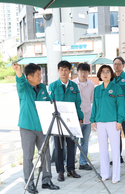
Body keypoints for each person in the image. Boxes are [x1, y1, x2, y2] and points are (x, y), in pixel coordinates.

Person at [12, 63, 60, 193]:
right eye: (38, 75)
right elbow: (20, 80)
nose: (41, 77)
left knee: (46, 154)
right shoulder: (23, 87)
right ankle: (29, 183)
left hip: (42, 127)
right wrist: (18, 71)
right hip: (27, 127)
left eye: (41, 74)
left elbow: (49, 101)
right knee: (28, 156)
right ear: (29, 77)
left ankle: (47, 180)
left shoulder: (43, 87)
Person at [90, 65, 125, 184]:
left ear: (111, 74)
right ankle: (105, 174)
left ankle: (116, 176)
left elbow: (121, 105)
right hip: (100, 122)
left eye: (108, 72)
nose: (105, 74)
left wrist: (120, 121)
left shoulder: (117, 88)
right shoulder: (97, 89)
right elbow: (94, 106)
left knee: (115, 150)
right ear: (100, 75)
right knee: (103, 149)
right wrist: (93, 120)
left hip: (113, 123)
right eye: (103, 72)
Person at [48, 60, 84, 182]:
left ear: (69, 71)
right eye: (61, 69)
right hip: (57, 121)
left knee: (71, 145)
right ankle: (60, 172)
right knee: (58, 147)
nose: (64, 72)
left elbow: (78, 103)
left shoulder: (74, 86)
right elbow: (49, 104)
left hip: (71, 120)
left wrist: (80, 117)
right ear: (58, 71)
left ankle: (71, 169)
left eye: (66, 70)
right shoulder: (53, 86)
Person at [72, 63, 95, 170]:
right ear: (77, 72)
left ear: (88, 73)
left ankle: (83, 162)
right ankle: (71, 162)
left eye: (86, 72)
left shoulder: (91, 85)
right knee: (73, 142)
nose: (83, 74)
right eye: (81, 71)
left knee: (85, 142)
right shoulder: (72, 84)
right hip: (75, 118)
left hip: (88, 116)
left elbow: (92, 100)